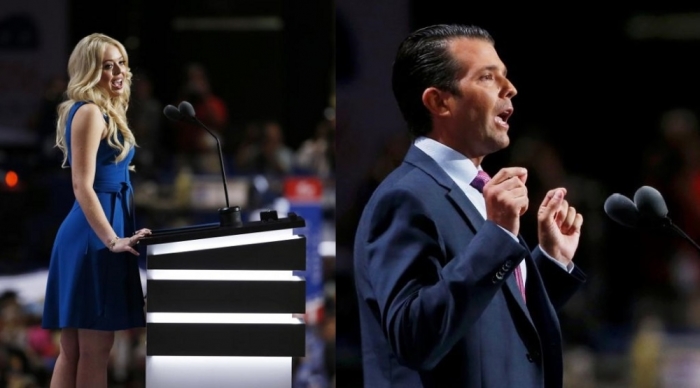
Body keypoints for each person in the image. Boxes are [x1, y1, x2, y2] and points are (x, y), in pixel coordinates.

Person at [353, 24, 587, 388]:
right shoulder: (405, 197)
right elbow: (414, 338)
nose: (510, 89)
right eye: (487, 78)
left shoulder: (475, 190)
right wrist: (496, 238)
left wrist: (550, 262)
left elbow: (491, 323)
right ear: (439, 101)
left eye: (505, 77)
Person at [41, 33, 152, 388]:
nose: (119, 71)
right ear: (90, 70)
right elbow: (82, 185)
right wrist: (112, 240)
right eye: (108, 65)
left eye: (121, 62)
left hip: (99, 232)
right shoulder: (89, 112)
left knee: (75, 349)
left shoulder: (105, 111)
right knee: (93, 347)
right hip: (94, 236)